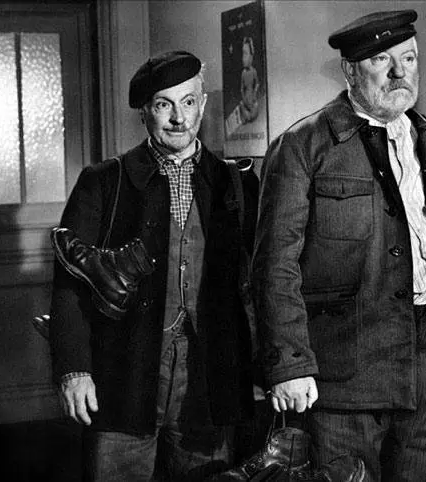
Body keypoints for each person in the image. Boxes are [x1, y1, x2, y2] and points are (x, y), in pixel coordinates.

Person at [252, 9, 426, 482]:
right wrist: (289, 365)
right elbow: (275, 264)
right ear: (349, 71)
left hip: (423, 365)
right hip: (342, 373)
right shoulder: (302, 146)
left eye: (409, 58)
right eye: (382, 60)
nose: (400, 73)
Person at [48, 50, 259, 481]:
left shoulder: (236, 182)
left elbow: (259, 281)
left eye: (188, 102)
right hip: (123, 373)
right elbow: (69, 286)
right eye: (164, 105)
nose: (179, 118)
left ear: (203, 104)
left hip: (209, 377)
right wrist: (74, 370)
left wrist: (266, 367)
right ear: (145, 112)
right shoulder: (104, 182)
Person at [239, 36, 260, 124]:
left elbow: (257, 83)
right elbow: (241, 88)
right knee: (241, 105)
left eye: (245, 54)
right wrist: (244, 98)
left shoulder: (253, 71)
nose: (243, 58)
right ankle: (247, 115)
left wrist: (254, 93)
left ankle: (250, 116)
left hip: (252, 96)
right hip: (246, 98)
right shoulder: (243, 73)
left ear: (251, 56)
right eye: (242, 54)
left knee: (255, 106)